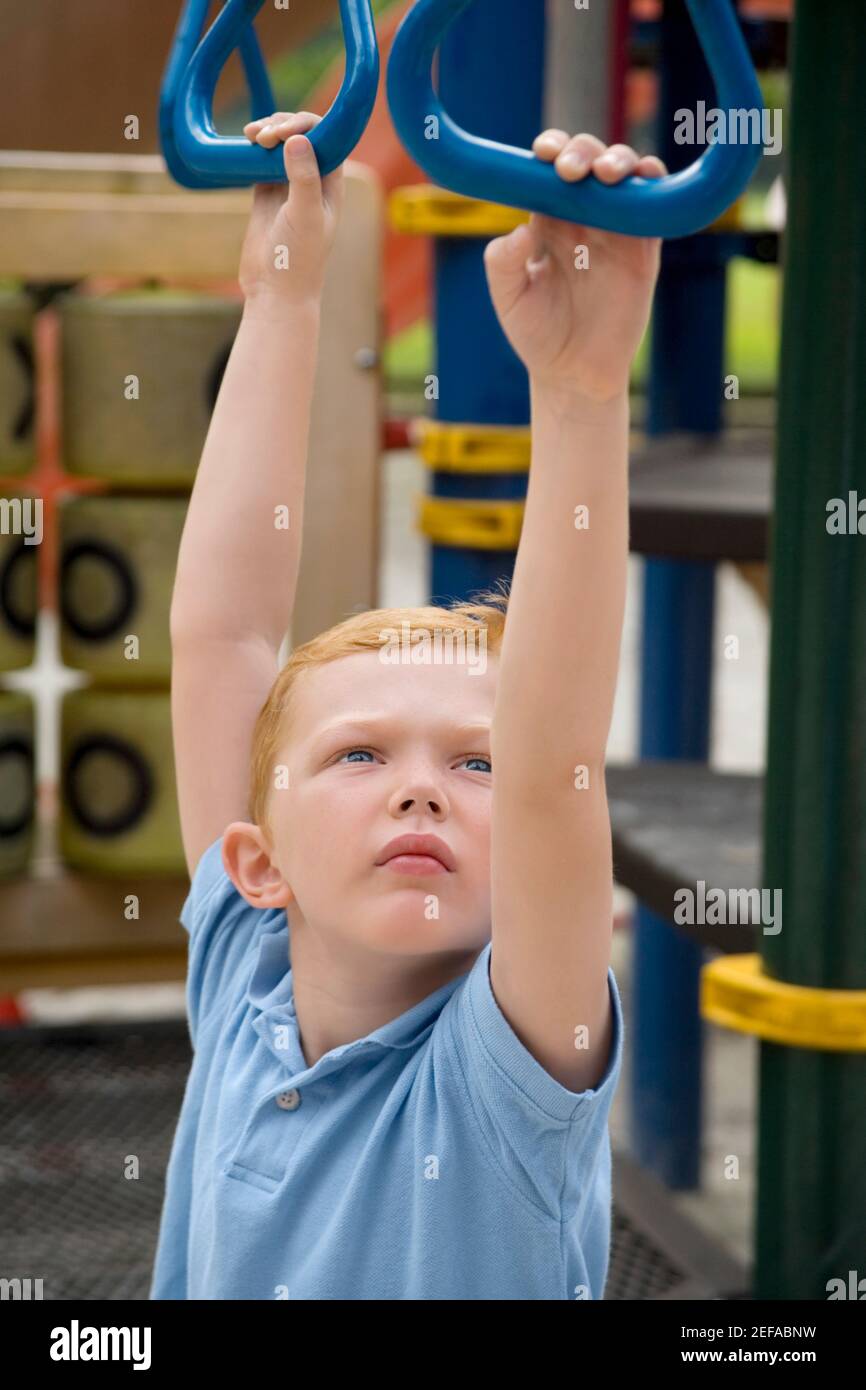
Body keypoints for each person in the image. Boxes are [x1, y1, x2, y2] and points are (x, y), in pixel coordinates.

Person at [150, 112, 667, 1301]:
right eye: (359, 753)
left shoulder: (502, 1078)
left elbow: (552, 763)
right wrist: (280, 302)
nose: (422, 784)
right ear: (257, 861)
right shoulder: (246, 978)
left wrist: (583, 397)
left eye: (471, 765)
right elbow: (220, 632)